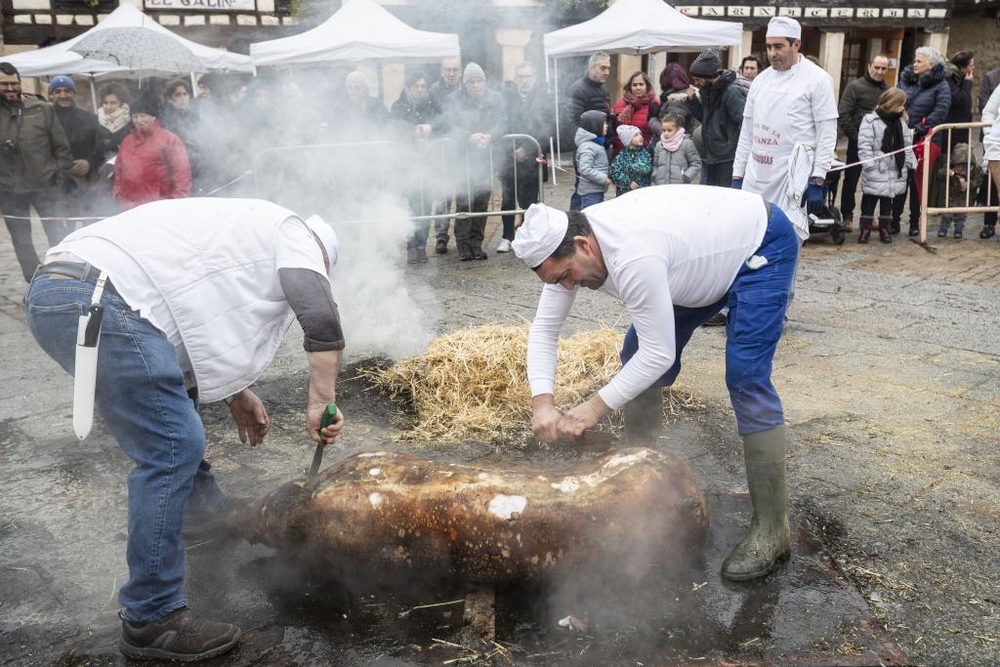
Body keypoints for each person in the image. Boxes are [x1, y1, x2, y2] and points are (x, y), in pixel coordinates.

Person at [24, 197, 345, 661]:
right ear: (320, 254)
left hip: (65, 290)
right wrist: (321, 398)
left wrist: (236, 392)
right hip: (97, 298)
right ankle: (151, 618)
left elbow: (189, 323)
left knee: (171, 417)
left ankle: (201, 516)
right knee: (173, 442)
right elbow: (318, 313)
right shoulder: (292, 232)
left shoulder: (244, 230)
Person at [511, 186, 800, 581]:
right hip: (694, 262)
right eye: (555, 281)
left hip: (758, 247)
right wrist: (542, 402)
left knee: (745, 374)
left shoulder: (633, 255)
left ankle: (772, 530)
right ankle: (640, 485)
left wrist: (592, 408)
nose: (567, 287)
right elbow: (544, 330)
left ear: (582, 244)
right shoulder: (565, 254)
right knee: (635, 355)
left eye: (566, 276)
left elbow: (659, 353)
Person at [732, 16, 838, 244]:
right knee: (750, 242)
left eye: (778, 46)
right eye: (769, 47)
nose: (772, 53)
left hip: (791, 179)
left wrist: (818, 178)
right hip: (756, 174)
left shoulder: (818, 80)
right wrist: (737, 175)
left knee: (785, 244)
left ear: (796, 44)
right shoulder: (760, 81)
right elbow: (747, 132)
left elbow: (827, 131)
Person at [0, 61, 73, 282]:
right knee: (22, 241)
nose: (11, 89)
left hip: (46, 186)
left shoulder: (42, 109)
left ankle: (64, 279)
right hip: (9, 190)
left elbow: (62, 148)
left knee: (58, 236)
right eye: (4, 84)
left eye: (14, 83)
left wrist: (57, 178)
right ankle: (35, 284)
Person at [447, 62, 507, 260]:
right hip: (463, 159)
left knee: (481, 202)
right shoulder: (454, 100)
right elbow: (450, 125)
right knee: (463, 202)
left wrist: (490, 136)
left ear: (484, 82)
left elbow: (503, 122)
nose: (475, 85)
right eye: (471, 81)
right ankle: (463, 244)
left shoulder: (495, 98)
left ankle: (476, 242)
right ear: (465, 84)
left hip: (486, 158)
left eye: (479, 81)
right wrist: (469, 136)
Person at [898, 46, 951, 237]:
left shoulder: (941, 86)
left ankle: (914, 221)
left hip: (925, 139)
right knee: (899, 179)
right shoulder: (906, 80)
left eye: (919, 61)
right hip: (903, 136)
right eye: (915, 60)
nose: (915, 64)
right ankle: (894, 220)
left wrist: (919, 129)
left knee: (917, 182)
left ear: (931, 64)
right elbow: (896, 100)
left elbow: (940, 112)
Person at [498, 62, 551, 253]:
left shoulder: (543, 99)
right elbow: (501, 124)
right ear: (515, 79)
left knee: (530, 201)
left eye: (528, 76)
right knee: (508, 199)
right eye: (520, 76)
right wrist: (513, 148)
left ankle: (529, 236)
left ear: (534, 79)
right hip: (509, 158)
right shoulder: (506, 99)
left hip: (532, 160)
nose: (524, 81)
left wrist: (526, 149)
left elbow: (546, 128)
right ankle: (507, 236)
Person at [837, 55, 890, 232]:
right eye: (877, 67)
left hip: (879, 145)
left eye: (884, 69)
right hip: (857, 143)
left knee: (874, 182)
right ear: (869, 66)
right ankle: (847, 216)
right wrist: (856, 137)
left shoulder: (888, 91)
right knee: (851, 180)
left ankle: (868, 217)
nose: (879, 72)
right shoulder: (855, 87)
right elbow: (844, 114)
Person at [857, 87, 916, 243]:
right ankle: (865, 229)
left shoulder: (901, 123)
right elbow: (864, 143)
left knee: (887, 201)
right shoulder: (870, 120)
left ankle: (885, 228)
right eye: (900, 104)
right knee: (869, 199)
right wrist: (869, 164)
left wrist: (909, 162)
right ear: (891, 103)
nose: (902, 108)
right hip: (876, 166)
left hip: (893, 167)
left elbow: (907, 145)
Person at [113, 92, 191, 210]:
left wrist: (176, 204)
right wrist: (118, 195)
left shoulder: (170, 140)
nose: (138, 120)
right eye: (135, 116)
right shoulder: (127, 142)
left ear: (153, 117)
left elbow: (182, 176)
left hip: (160, 207)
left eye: (143, 116)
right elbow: (119, 173)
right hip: (129, 207)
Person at [48, 75, 109, 221]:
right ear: (51, 95)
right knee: (61, 234)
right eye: (58, 91)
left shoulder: (89, 118)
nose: (63, 95)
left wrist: (89, 163)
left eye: (67, 91)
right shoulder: (45, 119)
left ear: (74, 93)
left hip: (86, 184)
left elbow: (103, 144)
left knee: (89, 227)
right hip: (57, 186)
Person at [391, 68, 437, 264]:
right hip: (407, 164)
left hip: (428, 163)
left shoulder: (431, 106)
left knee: (425, 207)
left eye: (423, 86)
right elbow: (395, 130)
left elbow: (445, 123)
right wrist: (413, 132)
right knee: (411, 207)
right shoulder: (398, 107)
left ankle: (421, 245)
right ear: (408, 88)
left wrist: (432, 127)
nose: (420, 90)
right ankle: (411, 245)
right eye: (416, 86)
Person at [687, 48, 747, 187]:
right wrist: (692, 101)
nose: (696, 83)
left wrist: (730, 144)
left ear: (707, 75)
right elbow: (707, 120)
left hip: (728, 157)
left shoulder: (732, 92)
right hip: (713, 155)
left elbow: (744, 124)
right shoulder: (707, 91)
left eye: (698, 79)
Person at [429, 55, 463, 254]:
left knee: (463, 194)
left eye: (455, 70)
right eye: (448, 70)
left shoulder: (466, 88)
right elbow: (433, 119)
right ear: (442, 71)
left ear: (460, 71)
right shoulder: (434, 91)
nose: (451, 74)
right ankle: (441, 237)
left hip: (462, 150)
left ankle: (461, 237)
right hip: (442, 149)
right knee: (442, 195)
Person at [563, 52, 612, 149]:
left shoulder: (604, 89)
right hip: (586, 148)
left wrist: (609, 141)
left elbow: (607, 118)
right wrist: (590, 141)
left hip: (603, 146)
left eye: (608, 68)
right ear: (591, 68)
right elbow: (571, 122)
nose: (606, 72)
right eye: (602, 68)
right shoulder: (578, 89)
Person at [932, 142, 982, 239]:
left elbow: (979, 181)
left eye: (964, 164)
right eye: (958, 164)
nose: (960, 167)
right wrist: (945, 172)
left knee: (961, 216)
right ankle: (943, 228)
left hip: (966, 198)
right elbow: (939, 175)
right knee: (946, 214)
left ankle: (958, 230)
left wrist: (970, 184)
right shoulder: (950, 166)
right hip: (950, 196)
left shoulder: (976, 169)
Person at [611, 71, 660, 157]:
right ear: (630, 87)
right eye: (634, 85)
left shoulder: (654, 104)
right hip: (620, 155)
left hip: (643, 156)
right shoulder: (620, 103)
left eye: (641, 84)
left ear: (647, 86)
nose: (638, 88)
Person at [571, 109, 611, 210]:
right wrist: (603, 178)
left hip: (595, 190)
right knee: (590, 219)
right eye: (603, 123)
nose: (607, 125)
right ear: (595, 126)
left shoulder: (596, 143)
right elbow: (584, 169)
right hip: (590, 193)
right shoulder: (588, 146)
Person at [651, 113, 700, 186]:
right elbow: (655, 165)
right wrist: (655, 176)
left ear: (678, 129)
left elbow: (696, 163)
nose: (666, 133)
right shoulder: (659, 145)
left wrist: (687, 176)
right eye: (664, 130)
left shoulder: (686, 143)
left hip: (681, 186)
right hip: (661, 185)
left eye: (669, 130)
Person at [942, 51, 975, 149]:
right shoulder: (949, 78)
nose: (973, 69)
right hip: (951, 132)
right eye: (971, 66)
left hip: (959, 130)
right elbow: (961, 100)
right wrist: (968, 83)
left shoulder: (959, 78)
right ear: (961, 67)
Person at [610, 124, 652, 195]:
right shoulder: (621, 156)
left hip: (642, 190)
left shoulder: (644, 153)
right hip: (624, 192)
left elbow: (647, 168)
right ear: (628, 140)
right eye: (636, 135)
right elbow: (614, 173)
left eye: (640, 134)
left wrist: (634, 167)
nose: (640, 137)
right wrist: (628, 182)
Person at [97, 83, 133, 153]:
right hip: (103, 162)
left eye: (113, 103)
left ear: (122, 103)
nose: (109, 107)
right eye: (105, 103)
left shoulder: (131, 120)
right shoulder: (97, 119)